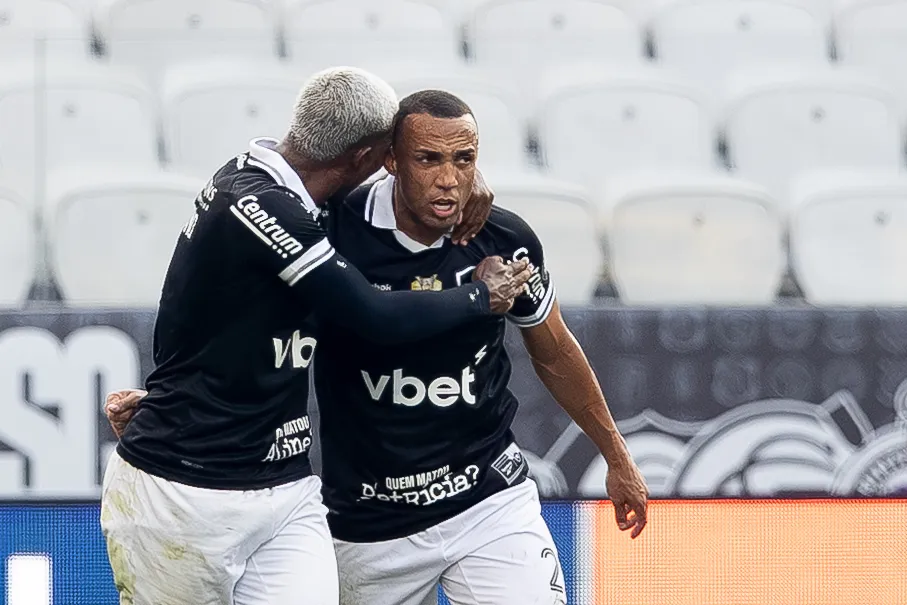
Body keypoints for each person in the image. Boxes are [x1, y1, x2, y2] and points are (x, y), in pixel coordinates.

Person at [107, 90, 648, 605]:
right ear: (389, 160)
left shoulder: (503, 239)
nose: (448, 180)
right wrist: (171, 398)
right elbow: (241, 308)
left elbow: (553, 350)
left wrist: (617, 455)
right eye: (428, 159)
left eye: (464, 160)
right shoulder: (332, 227)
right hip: (369, 523)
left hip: (488, 498)